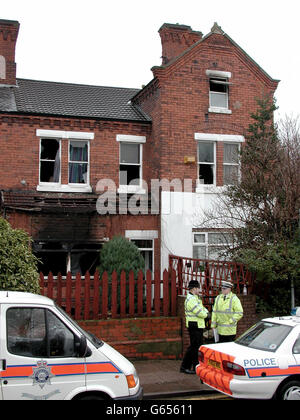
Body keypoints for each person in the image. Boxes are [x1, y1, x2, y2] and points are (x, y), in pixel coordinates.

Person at [180, 280, 209, 374]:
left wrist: (207, 312)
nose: (199, 290)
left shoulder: (195, 298)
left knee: (196, 347)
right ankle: (187, 367)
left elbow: (202, 308)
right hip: (194, 325)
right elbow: (198, 311)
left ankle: (193, 366)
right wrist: (206, 315)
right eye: (198, 288)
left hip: (197, 325)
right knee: (194, 347)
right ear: (194, 288)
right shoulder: (191, 299)